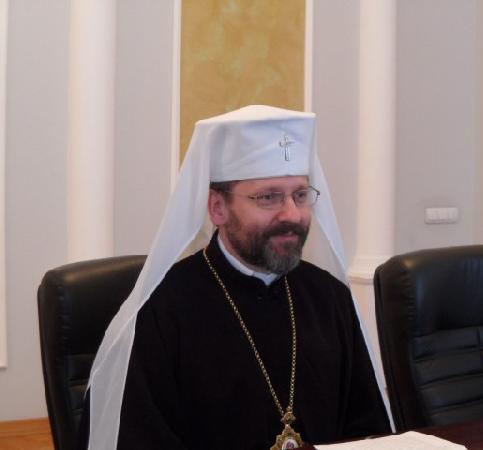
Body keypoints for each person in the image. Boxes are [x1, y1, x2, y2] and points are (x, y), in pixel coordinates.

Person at [80, 105, 390, 450]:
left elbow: (367, 430)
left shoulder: (329, 297)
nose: (292, 214)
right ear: (218, 208)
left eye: (300, 195)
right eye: (269, 197)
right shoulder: (162, 311)